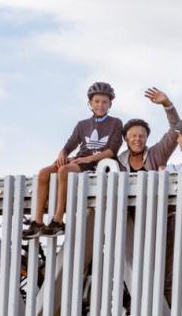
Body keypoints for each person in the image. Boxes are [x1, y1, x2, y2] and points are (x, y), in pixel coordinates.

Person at [22, 82, 124, 239]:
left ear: (110, 104)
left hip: (97, 164)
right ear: (90, 103)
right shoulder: (82, 125)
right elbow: (69, 145)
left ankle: (58, 220)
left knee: (64, 170)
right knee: (43, 172)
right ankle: (38, 222)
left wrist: (88, 158)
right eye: (97, 101)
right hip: (79, 161)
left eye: (105, 102)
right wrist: (62, 154)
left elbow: (112, 150)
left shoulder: (115, 122)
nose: (100, 105)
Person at [116, 88, 182, 173]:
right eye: (134, 136)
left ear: (146, 138)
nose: (138, 139)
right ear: (125, 138)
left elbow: (176, 130)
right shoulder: (118, 162)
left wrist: (167, 103)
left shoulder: (157, 153)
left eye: (141, 136)